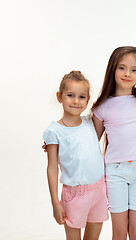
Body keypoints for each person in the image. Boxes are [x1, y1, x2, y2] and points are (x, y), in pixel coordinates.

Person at [91, 46, 136, 240]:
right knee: (119, 231)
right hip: (115, 171)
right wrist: (58, 142)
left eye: (134, 70)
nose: (127, 74)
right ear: (112, 70)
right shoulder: (102, 107)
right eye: (122, 68)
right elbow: (91, 141)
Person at [43, 71, 108, 240]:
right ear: (59, 96)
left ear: (87, 100)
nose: (76, 101)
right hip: (74, 195)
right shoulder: (54, 131)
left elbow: (105, 107)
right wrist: (55, 203)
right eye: (70, 95)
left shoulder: (91, 123)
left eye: (81, 97)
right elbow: (51, 168)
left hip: (98, 190)